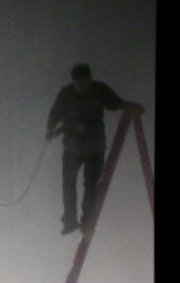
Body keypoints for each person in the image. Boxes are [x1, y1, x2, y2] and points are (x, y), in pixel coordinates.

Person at [46, 63, 143, 235]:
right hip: (72, 149)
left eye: (84, 82)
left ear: (89, 80)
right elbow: (55, 114)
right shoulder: (66, 94)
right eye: (78, 83)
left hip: (94, 149)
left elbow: (117, 103)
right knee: (68, 184)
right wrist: (50, 129)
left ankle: (87, 221)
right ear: (74, 82)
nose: (81, 86)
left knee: (91, 186)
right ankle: (70, 219)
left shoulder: (99, 91)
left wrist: (131, 107)